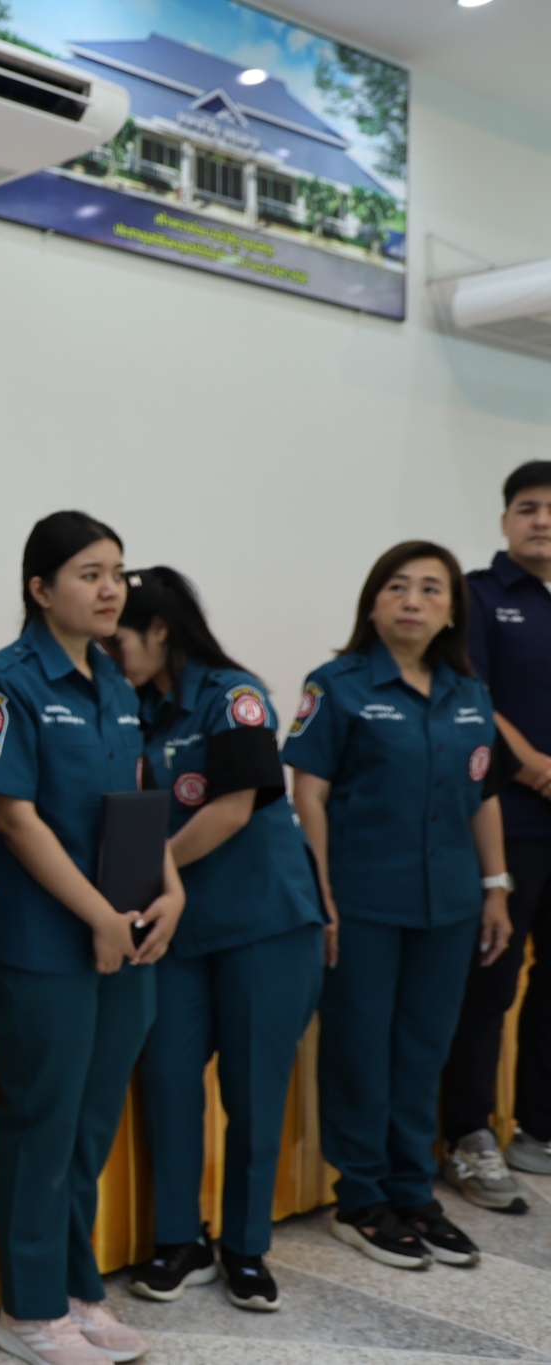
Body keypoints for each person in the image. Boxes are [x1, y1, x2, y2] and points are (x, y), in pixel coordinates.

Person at [0, 512, 184, 1365]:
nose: (110, 589)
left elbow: (138, 800)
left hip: (125, 935)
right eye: (89, 573)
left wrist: (171, 887)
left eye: (117, 573)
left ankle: (77, 1288)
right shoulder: (5, 683)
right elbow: (11, 817)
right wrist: (96, 914)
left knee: (90, 1125)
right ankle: (27, 1308)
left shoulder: (116, 679)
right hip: (44, 943)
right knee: (43, 1123)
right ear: (40, 587)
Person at [284, 541, 512, 1272]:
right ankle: (360, 1199)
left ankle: (414, 1192)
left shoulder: (470, 693)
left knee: (422, 1049)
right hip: (363, 902)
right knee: (359, 1049)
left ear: (452, 611)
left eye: (431, 589)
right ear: (373, 602)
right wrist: (320, 892)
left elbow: (482, 795)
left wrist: (496, 885)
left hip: (449, 905)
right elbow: (309, 793)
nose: (413, 601)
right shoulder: (337, 685)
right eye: (397, 586)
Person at [110, 569, 326, 1313]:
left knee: (254, 1092)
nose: (111, 654)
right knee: (168, 1080)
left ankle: (246, 1247)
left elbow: (233, 809)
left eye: (119, 638)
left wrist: (153, 870)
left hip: (264, 926)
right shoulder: (128, 706)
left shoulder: (233, 696)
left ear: (159, 629)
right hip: (176, 932)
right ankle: (181, 1239)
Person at [441, 462, 551, 1202]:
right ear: (505, 519)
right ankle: (467, 1132)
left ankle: (538, 1127)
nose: (542, 520)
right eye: (528, 507)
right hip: (510, 819)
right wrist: (536, 768)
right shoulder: (480, 595)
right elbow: (471, 694)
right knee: (491, 979)